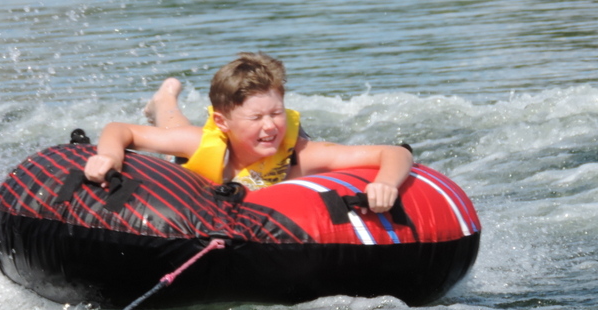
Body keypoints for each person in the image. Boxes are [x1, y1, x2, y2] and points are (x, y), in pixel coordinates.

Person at [85, 52, 412, 212]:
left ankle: (166, 101)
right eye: (256, 117)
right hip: (204, 158)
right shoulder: (202, 142)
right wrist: (109, 156)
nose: (270, 126)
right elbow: (120, 130)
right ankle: (164, 100)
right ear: (223, 122)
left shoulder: (300, 155)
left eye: (276, 114)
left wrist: (385, 183)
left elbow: (394, 153)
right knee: (177, 131)